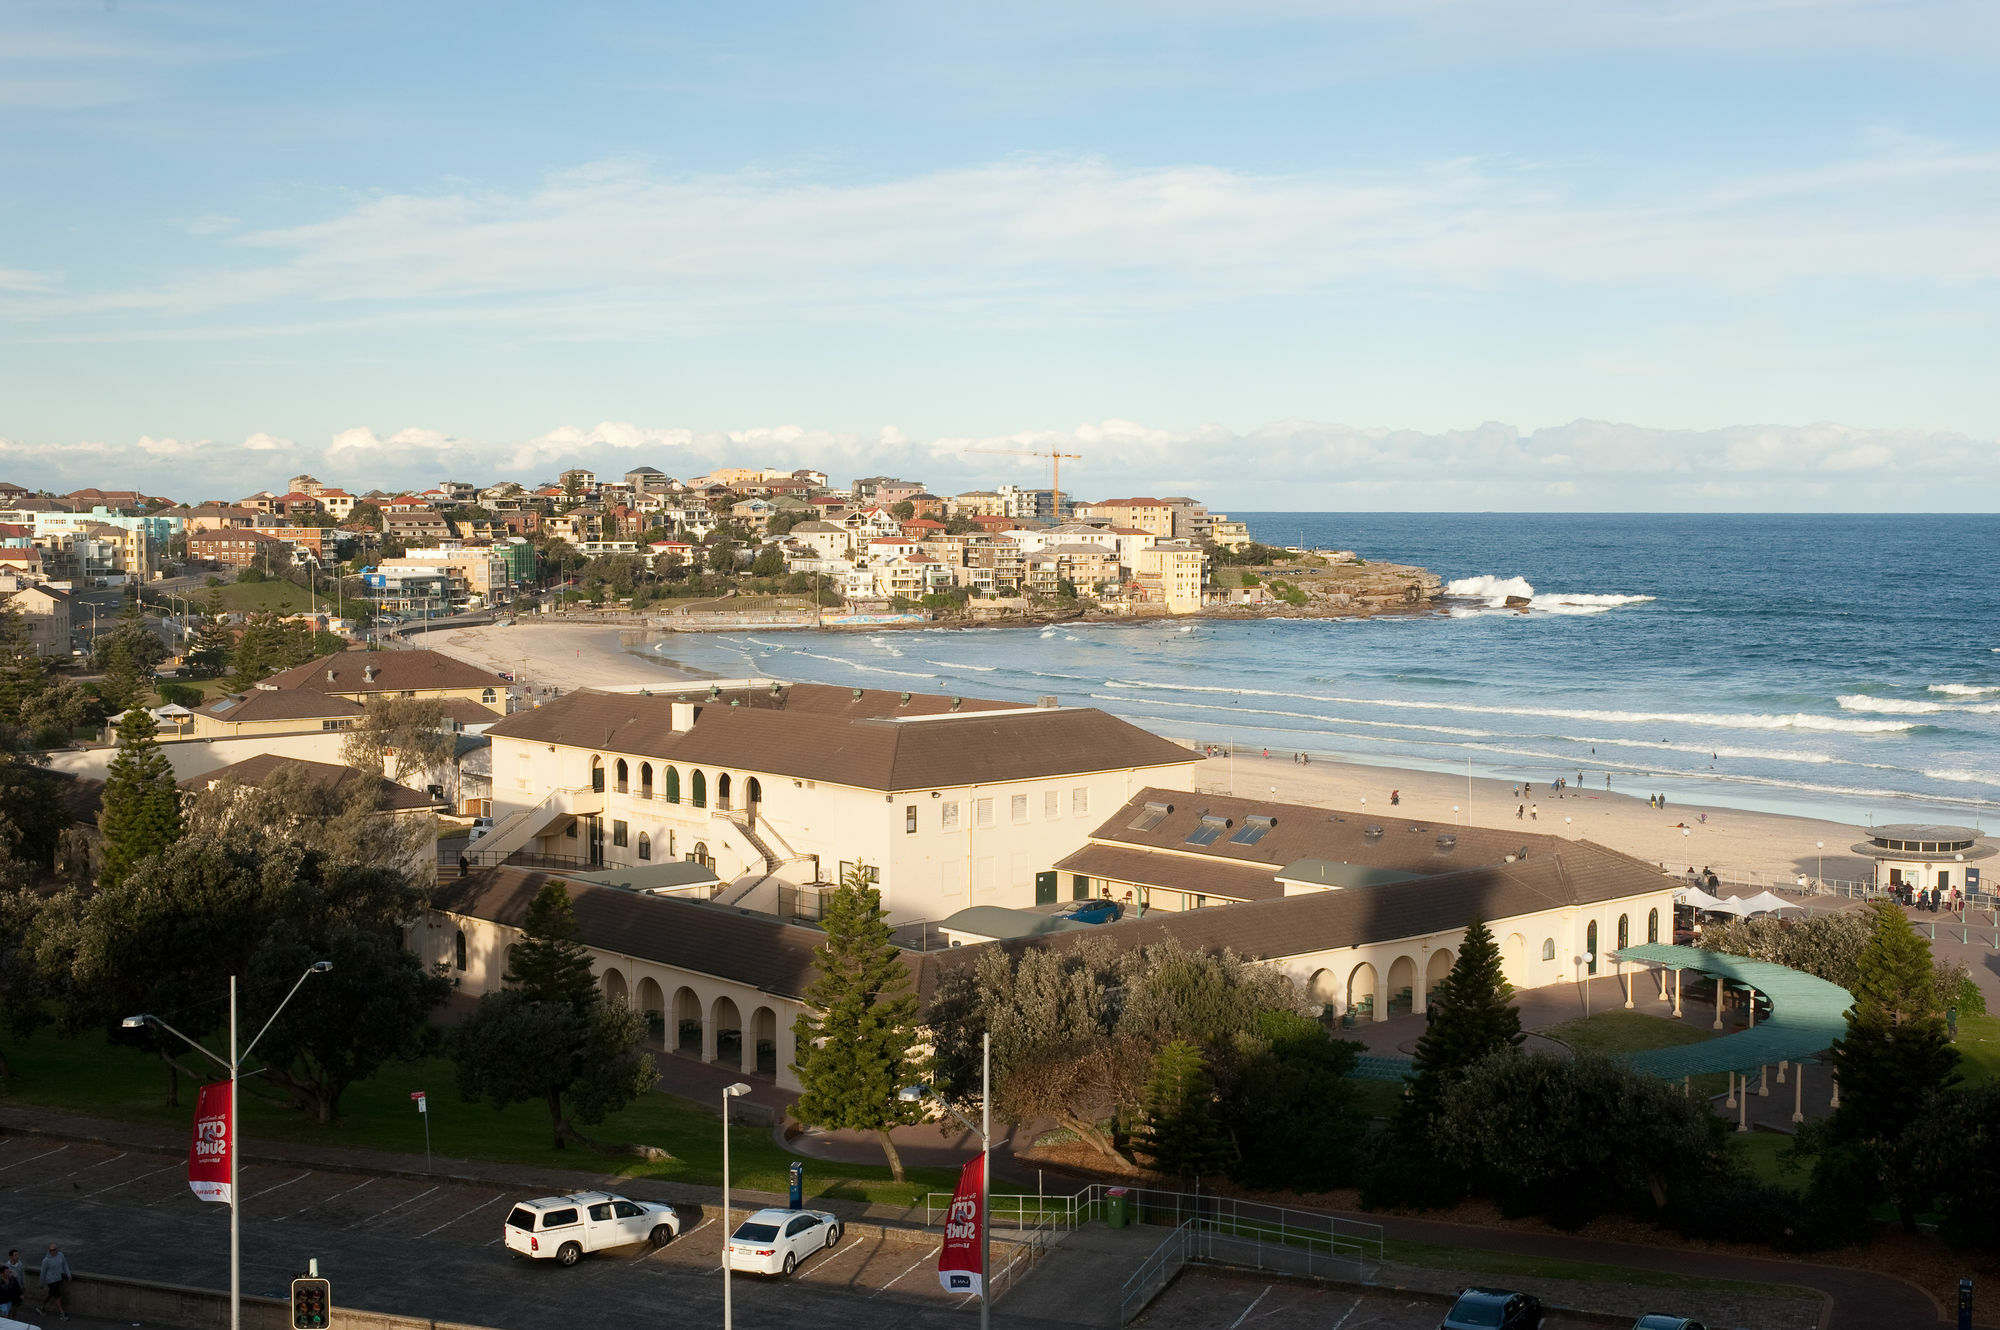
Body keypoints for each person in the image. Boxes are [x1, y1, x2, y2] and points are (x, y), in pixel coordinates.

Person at [39, 1242, 70, 1321]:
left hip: (58, 1279)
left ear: (57, 1249)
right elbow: (43, 1273)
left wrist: (68, 1274)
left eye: (54, 1250)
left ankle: (41, 1307)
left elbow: (65, 1264)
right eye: (50, 1250)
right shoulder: (46, 1261)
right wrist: (41, 1283)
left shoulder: (61, 1255)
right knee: (57, 1296)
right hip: (51, 1280)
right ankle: (62, 1314)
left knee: (51, 1294)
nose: (52, 1251)